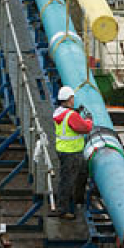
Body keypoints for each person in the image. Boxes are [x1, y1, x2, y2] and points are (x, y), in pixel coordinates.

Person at [53, 85, 93, 219]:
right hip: (72, 153)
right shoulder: (71, 115)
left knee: (80, 173)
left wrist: (77, 112)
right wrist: (89, 119)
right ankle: (63, 210)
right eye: (72, 98)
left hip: (64, 150)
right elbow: (85, 128)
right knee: (67, 181)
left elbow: (69, 119)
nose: (73, 100)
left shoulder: (59, 112)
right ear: (69, 99)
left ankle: (77, 201)